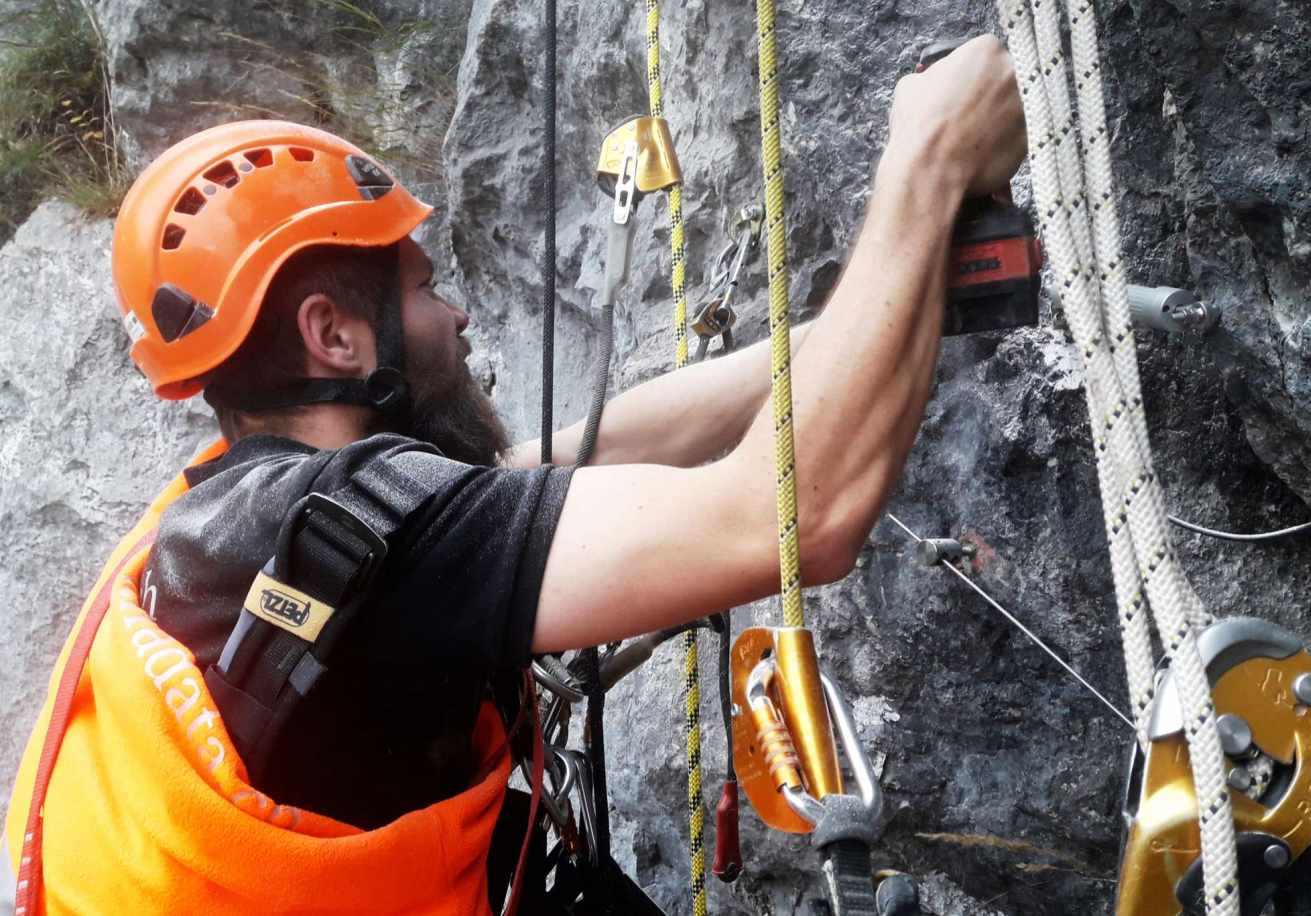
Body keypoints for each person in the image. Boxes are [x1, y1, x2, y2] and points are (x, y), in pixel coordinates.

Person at [3, 35, 1026, 914]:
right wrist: (926, 163)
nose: (456, 316)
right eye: (425, 287)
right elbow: (791, 521)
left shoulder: (247, 511)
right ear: (334, 335)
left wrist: (874, 317)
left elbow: (567, 459)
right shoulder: (360, 529)